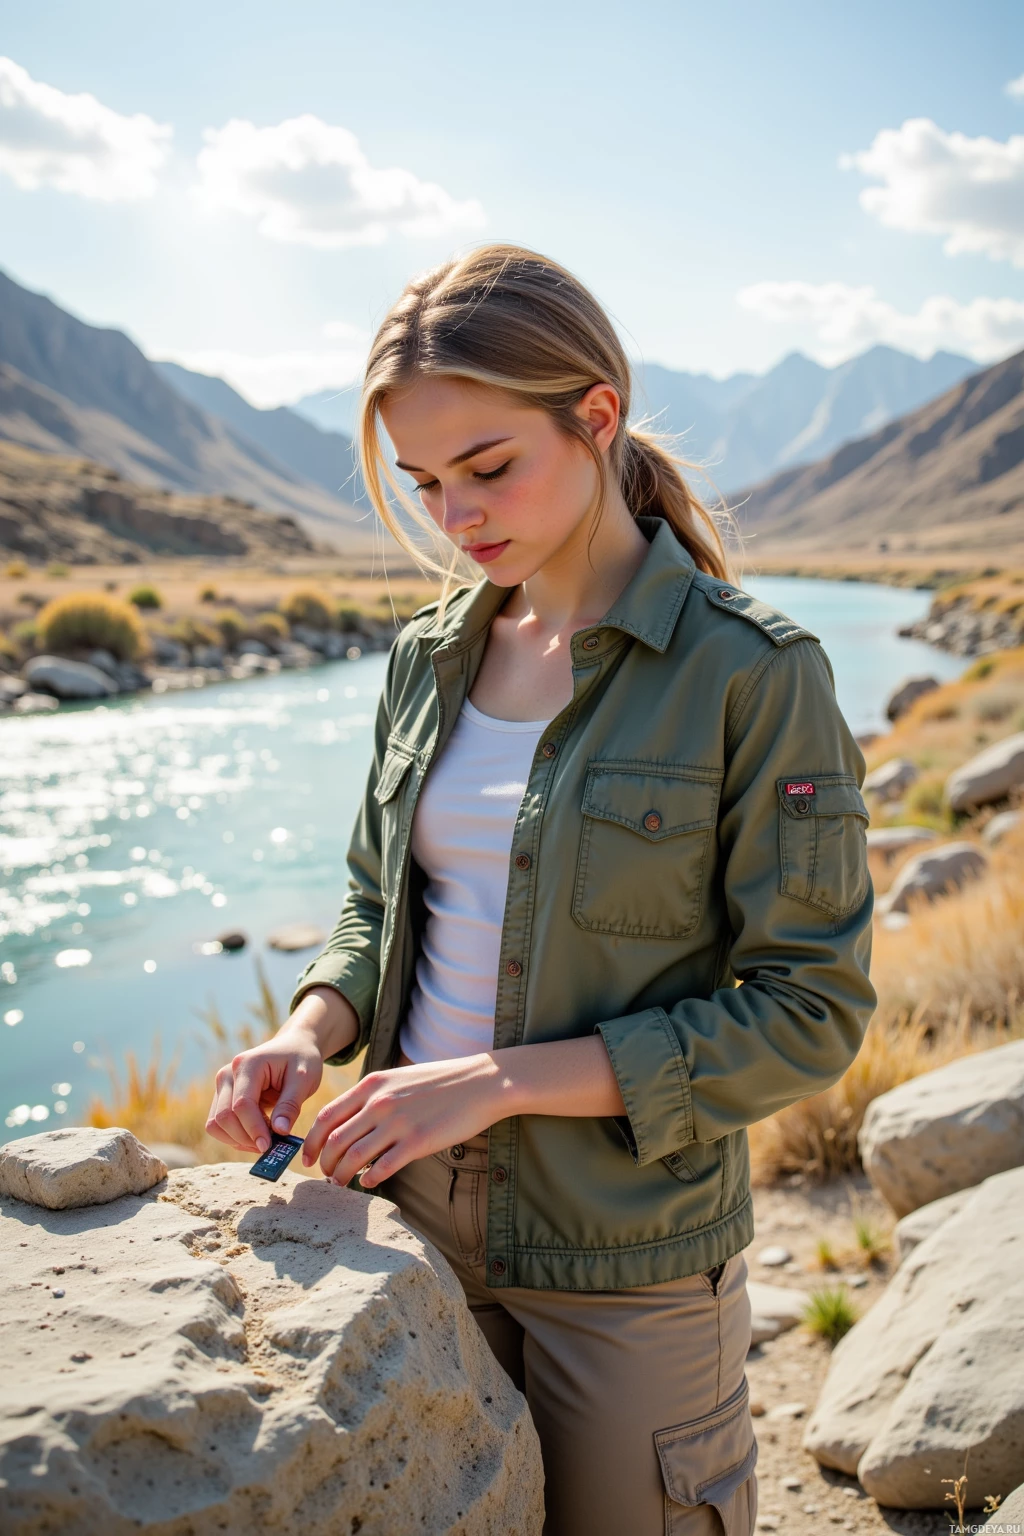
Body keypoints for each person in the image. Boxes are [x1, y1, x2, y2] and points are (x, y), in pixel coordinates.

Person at [207, 243, 875, 1536]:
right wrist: (308, 1031)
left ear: (599, 417)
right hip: (402, 1215)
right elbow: (372, 905)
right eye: (424, 484)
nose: (456, 518)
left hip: (626, 1259)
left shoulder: (753, 677)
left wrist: (496, 1081)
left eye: (489, 468)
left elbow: (809, 1012)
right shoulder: (427, 660)